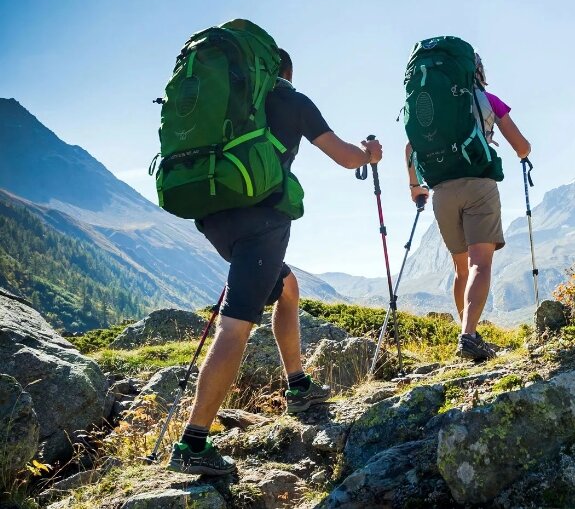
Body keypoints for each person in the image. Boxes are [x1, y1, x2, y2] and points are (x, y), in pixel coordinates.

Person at [169, 48, 383, 476]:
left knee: (287, 287)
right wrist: (370, 154)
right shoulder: (292, 100)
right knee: (235, 327)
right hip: (261, 223)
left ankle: (298, 384)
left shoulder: (228, 108)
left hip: (214, 218)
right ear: (282, 71)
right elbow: (345, 156)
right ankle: (193, 443)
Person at [406, 52, 530, 362]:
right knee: (480, 264)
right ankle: (468, 336)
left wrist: (415, 186)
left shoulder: (432, 106)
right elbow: (522, 145)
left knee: (461, 268)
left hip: (442, 191)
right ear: (477, 71)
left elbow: (411, 146)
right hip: (479, 185)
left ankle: (468, 333)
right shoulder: (488, 99)